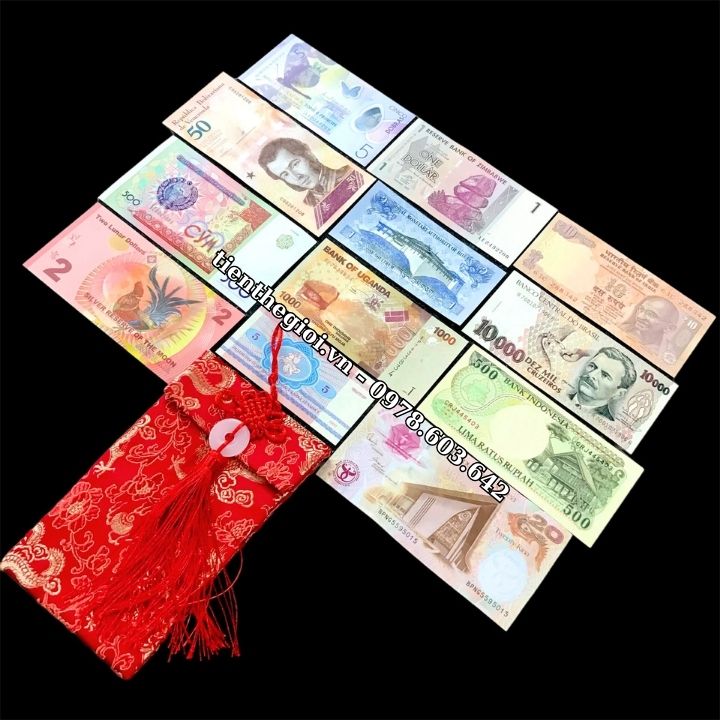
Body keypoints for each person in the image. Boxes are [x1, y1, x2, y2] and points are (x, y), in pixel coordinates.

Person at [257, 138, 350, 207]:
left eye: (294, 164)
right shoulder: (308, 205)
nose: (296, 177)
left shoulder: (349, 172)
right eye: (285, 174)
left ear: (308, 154)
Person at [568, 347, 637, 420]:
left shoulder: (607, 422)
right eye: (592, 366)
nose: (591, 375)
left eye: (605, 375)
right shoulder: (561, 396)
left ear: (619, 393)